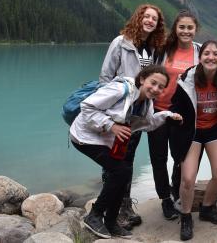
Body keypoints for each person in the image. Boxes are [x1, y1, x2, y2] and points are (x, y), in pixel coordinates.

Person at [70, 65, 182, 239]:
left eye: (161, 87)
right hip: (84, 136)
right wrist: (111, 125)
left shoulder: (146, 103)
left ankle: (111, 222)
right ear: (143, 79)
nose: (156, 89)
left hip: (104, 140)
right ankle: (95, 215)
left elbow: (148, 124)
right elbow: (87, 107)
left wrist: (167, 115)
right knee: (120, 171)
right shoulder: (120, 89)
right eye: (153, 83)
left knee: (124, 172)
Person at [98, 4, 166, 227]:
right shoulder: (121, 43)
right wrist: (111, 109)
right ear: (138, 18)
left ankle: (123, 205)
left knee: (128, 159)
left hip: (138, 113)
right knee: (114, 161)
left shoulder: (154, 48)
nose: (149, 21)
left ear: (157, 24)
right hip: (120, 112)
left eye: (153, 19)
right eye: (146, 17)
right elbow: (106, 77)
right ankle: (112, 209)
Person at [170, 41, 217, 240]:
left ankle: (207, 208)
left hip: (214, 130)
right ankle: (186, 216)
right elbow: (175, 106)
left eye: (215, 54)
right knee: (187, 179)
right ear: (200, 56)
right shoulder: (187, 78)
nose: (211, 57)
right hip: (192, 131)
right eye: (207, 53)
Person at [149, 10, 202, 220]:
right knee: (158, 157)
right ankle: (165, 199)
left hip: (183, 114)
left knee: (181, 157)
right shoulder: (163, 51)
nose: (186, 31)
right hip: (159, 110)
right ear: (175, 29)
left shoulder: (199, 51)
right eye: (182, 27)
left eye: (190, 27)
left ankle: (176, 190)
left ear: (196, 30)